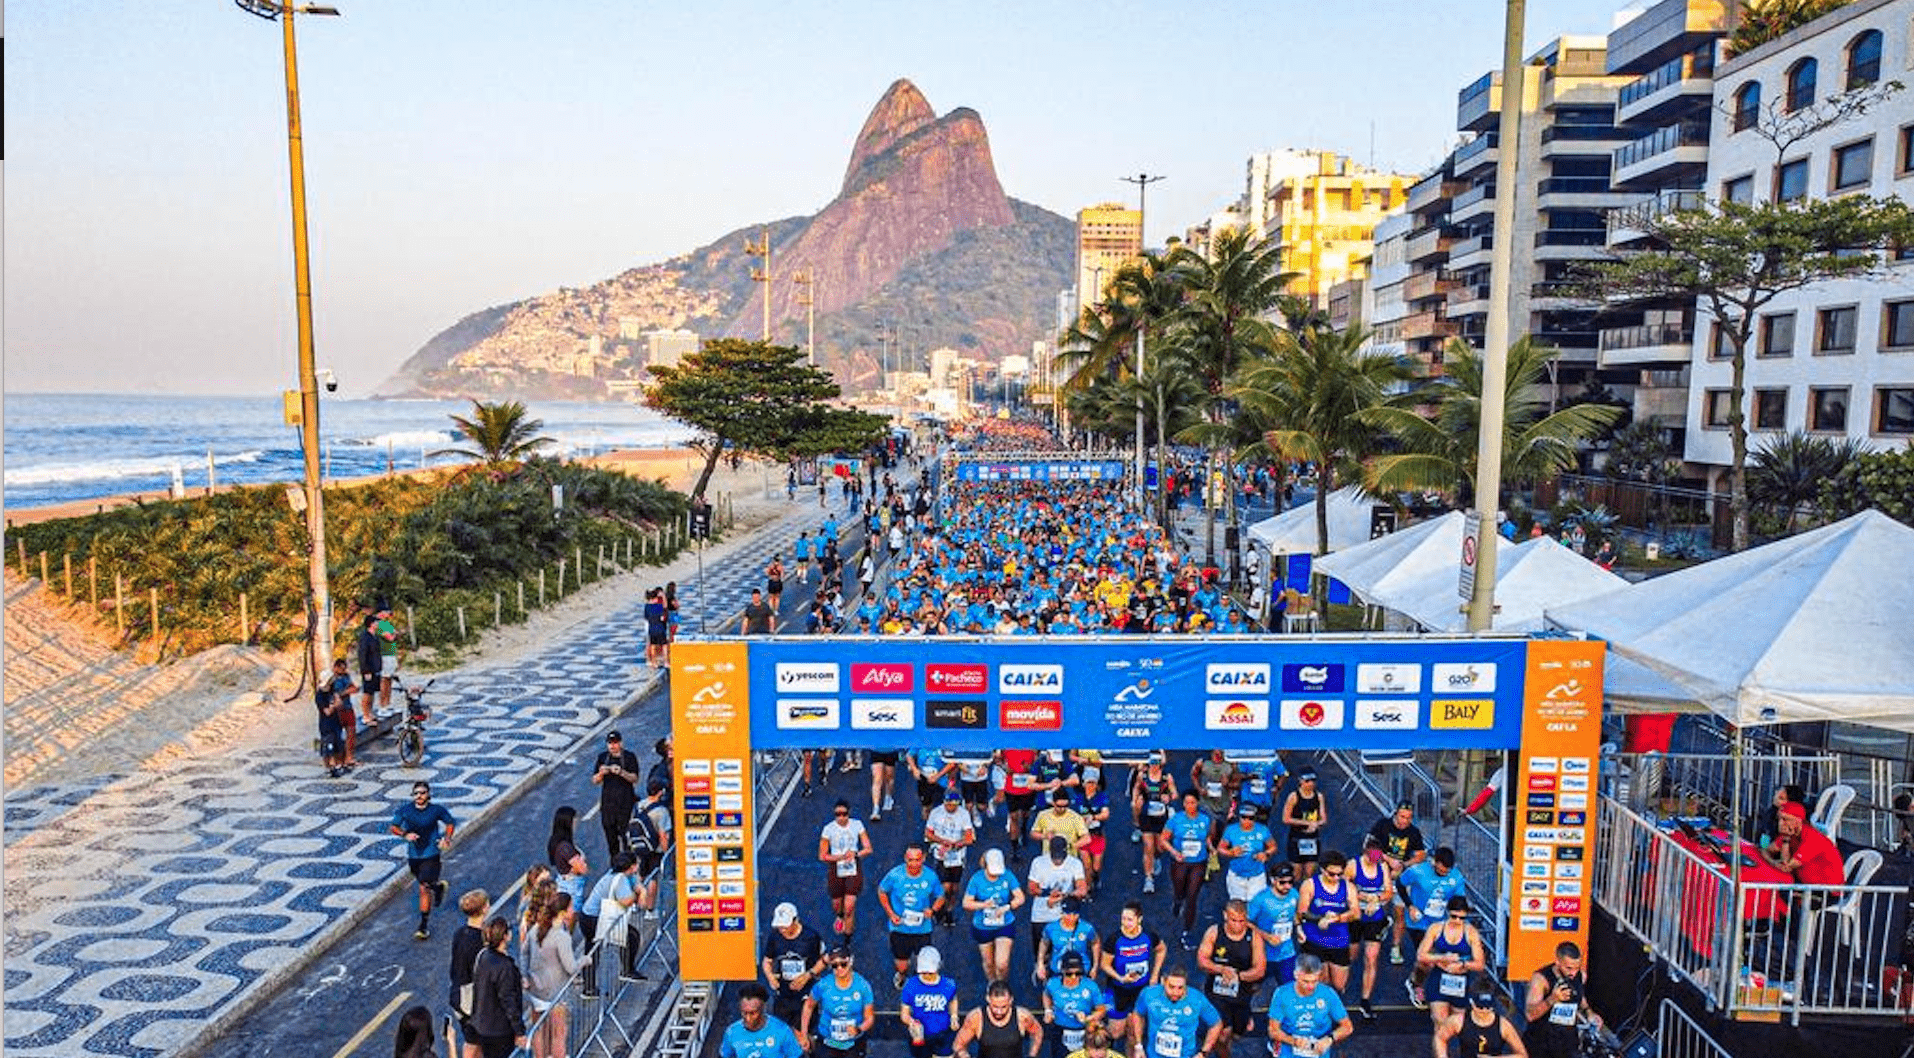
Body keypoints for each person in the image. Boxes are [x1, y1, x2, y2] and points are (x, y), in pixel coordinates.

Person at [1195, 899, 1266, 1056]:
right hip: (1216, 993)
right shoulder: (1214, 932)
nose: (1238, 925)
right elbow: (1201, 961)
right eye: (1234, 920)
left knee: (1237, 1033)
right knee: (1222, 1034)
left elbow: (1260, 969)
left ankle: (1239, 1027)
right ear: (1225, 915)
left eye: (1242, 921)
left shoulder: (1253, 936)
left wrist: (1237, 976)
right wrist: (1220, 969)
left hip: (1241, 994)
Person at [1399, 847, 1467, 1004]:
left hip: (1441, 924)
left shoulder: (1456, 877)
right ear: (1435, 863)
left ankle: (1417, 981)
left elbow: (1459, 900)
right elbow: (1400, 884)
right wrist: (1410, 905)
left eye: (1447, 872)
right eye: (1441, 871)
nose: (1445, 874)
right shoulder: (1418, 871)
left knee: (1434, 960)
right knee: (1427, 958)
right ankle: (1417, 986)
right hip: (1418, 923)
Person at [391, 781, 456, 940]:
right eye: (416, 793)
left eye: (422, 793)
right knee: (424, 885)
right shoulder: (405, 810)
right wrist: (405, 834)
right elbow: (394, 826)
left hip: (431, 853)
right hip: (414, 855)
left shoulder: (436, 810)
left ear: (428, 794)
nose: (419, 796)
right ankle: (438, 887)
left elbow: (450, 822)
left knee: (423, 886)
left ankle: (423, 925)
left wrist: (447, 838)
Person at [1099, 901, 1166, 1049]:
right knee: (1115, 1032)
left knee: (1135, 1034)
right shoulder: (1114, 939)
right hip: (1118, 989)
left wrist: (1155, 975)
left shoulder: (1148, 935)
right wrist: (1120, 978)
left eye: (1130, 919)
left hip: (1141, 989)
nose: (1126, 923)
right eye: (1123, 919)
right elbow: (1104, 964)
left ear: (1139, 919)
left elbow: (1161, 949)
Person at [879, 845, 947, 989]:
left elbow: (940, 896)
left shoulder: (930, 876)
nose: (913, 864)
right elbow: (882, 891)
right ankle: (902, 975)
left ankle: (920, 986)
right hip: (900, 928)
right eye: (910, 860)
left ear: (923, 859)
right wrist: (891, 913)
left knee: (923, 963)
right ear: (905, 859)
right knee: (902, 966)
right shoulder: (895, 875)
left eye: (917, 860)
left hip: (922, 929)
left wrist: (933, 910)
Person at [1368, 802, 1428, 965]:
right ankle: (1381, 925)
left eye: (1408, 818)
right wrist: (1387, 860)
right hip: (1381, 874)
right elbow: (1369, 849)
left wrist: (1405, 864)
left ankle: (1396, 946)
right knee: (1380, 907)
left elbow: (1421, 854)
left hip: (1401, 877)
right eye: (1402, 816)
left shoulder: (1414, 832)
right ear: (1395, 814)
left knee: (1400, 913)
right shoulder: (1383, 825)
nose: (1404, 821)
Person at [1266, 953, 1354, 1058]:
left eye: (1314, 981)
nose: (1310, 986)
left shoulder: (1328, 993)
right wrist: (1293, 1041)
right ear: (1296, 975)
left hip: (1319, 1045)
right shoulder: (1282, 994)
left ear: (1319, 975)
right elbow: (1273, 1030)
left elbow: (1347, 1027)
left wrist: (1329, 1039)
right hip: (1290, 1045)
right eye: (1305, 981)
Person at [1521, 942, 1599, 1058]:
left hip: (1567, 1043)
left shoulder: (1580, 976)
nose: (1573, 973)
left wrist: (1588, 1011)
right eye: (1568, 968)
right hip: (1541, 1044)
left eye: (1576, 968)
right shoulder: (1541, 980)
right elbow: (1530, 1015)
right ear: (1558, 962)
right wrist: (1552, 999)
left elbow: (1579, 995)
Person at [1417, 897, 1487, 1027]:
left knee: (1458, 1026)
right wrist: (1443, 958)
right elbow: (1421, 955)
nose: (1457, 921)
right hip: (1439, 977)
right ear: (1447, 913)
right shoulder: (1436, 928)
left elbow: (1480, 964)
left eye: (1462, 918)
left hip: (1461, 980)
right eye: (1454, 917)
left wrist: (1463, 964)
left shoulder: (1471, 932)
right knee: (1440, 1022)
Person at [1348, 836, 1396, 1020]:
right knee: (1352, 956)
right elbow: (1344, 886)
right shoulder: (1353, 865)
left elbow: (1388, 892)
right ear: (1365, 853)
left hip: (1375, 917)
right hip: (1355, 917)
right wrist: (1364, 897)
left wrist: (1377, 899)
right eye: (1371, 857)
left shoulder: (1382, 866)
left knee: (1371, 958)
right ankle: (1341, 983)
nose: (1374, 861)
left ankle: (1365, 1000)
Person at [524, 891, 577, 1058]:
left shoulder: (535, 930)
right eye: (571, 906)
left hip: (536, 991)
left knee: (539, 1030)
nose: (573, 909)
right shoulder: (561, 937)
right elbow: (571, 968)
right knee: (558, 1033)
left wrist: (526, 975)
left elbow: (524, 953)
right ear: (562, 912)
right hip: (556, 993)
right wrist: (584, 960)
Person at [1296, 850, 1355, 995]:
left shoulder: (1348, 887)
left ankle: (1333, 1006)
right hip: (1315, 940)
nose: (1336, 878)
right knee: (1319, 984)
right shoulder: (1310, 885)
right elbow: (1301, 912)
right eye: (1331, 874)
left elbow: (1355, 913)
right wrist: (1319, 919)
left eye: (1339, 874)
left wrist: (1336, 918)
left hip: (1339, 940)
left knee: (1339, 985)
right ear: (1322, 870)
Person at [1161, 792, 1216, 948]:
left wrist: (1211, 848)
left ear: (1197, 803)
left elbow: (1207, 838)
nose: (1189, 806)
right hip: (1180, 862)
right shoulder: (1176, 819)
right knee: (1180, 890)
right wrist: (1174, 852)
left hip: (1198, 862)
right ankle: (1177, 901)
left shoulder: (1205, 820)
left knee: (1192, 897)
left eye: (1192, 802)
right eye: (1186, 802)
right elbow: (1163, 839)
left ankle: (1187, 932)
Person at [1131, 966, 1222, 1058]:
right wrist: (1138, 1045)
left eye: (1180, 988)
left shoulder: (1197, 999)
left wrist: (1203, 1053)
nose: (1176, 992)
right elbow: (1138, 1014)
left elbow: (1216, 1024)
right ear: (1163, 981)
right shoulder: (1149, 994)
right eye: (1171, 987)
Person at [469, 917, 528, 1058]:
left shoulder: (483, 955)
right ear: (506, 937)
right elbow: (508, 1001)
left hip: (482, 1024)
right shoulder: (504, 966)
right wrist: (519, 1031)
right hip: (499, 1030)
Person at [965, 848, 1025, 984]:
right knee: (988, 962)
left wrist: (1008, 906)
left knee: (1002, 963)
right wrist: (983, 905)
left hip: (1004, 923)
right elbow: (966, 903)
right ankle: (992, 984)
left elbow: (1020, 897)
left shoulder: (1008, 876)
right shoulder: (976, 879)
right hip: (983, 925)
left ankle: (1002, 985)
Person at [803, 946, 876, 1058]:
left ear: (850, 961)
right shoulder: (824, 985)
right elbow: (808, 1005)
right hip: (826, 1041)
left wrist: (859, 1029)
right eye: (834, 966)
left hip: (853, 1043)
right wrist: (804, 1033)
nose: (839, 968)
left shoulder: (862, 986)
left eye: (843, 964)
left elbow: (869, 1018)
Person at [763, 902, 826, 1031]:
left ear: (796, 920)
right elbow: (767, 961)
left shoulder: (811, 937)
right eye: (779, 926)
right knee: (782, 1032)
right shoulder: (774, 937)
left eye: (785, 926)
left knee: (806, 1032)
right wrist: (770, 977)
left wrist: (808, 975)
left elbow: (824, 959)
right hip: (783, 994)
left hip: (806, 994)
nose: (782, 930)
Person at [1433, 977, 1527, 1057]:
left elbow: (1522, 1055)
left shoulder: (1503, 1025)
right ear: (1472, 1002)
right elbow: (1440, 1037)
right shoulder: (1459, 1021)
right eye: (1480, 1007)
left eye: (1488, 1007)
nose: (1484, 1011)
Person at [820, 800, 874, 939]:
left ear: (849, 813)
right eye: (838, 814)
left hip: (853, 868)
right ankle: (839, 915)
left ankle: (847, 939)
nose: (841, 817)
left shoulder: (857, 825)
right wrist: (839, 857)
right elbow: (822, 855)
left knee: (849, 906)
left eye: (844, 814)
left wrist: (855, 854)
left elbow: (868, 848)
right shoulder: (828, 829)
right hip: (836, 867)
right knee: (837, 904)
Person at [951, 980, 1043, 1058]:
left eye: (1003, 1007)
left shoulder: (1023, 1016)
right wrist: (964, 1055)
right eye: (995, 1007)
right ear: (988, 999)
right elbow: (958, 1045)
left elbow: (1038, 1032)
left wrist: (1032, 1054)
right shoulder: (976, 1018)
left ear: (1011, 1000)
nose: (999, 1011)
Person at [926, 787, 977, 927]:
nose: (951, 807)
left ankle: (949, 910)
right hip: (941, 854)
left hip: (957, 856)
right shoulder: (936, 813)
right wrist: (942, 842)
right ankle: (940, 910)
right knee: (945, 886)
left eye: (954, 805)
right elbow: (928, 833)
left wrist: (957, 844)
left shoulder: (964, 814)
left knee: (954, 888)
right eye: (948, 804)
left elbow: (969, 837)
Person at [448, 889, 490, 1058]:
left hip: (458, 992)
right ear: (484, 909)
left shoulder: (460, 933)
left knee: (473, 1040)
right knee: (473, 1043)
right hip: (472, 998)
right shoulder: (480, 940)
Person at [1028, 836, 1088, 953]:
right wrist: (1048, 893)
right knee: (1041, 951)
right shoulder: (1038, 862)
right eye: (1055, 857)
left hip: (1064, 916)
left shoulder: (1075, 864)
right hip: (1041, 915)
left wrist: (1065, 895)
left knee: (1066, 951)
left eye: (1060, 857)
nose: (1057, 860)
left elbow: (1082, 889)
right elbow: (1031, 888)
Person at [1042, 952, 1108, 1058]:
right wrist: (1048, 1011)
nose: (1073, 977)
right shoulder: (1053, 984)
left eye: (1078, 973)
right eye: (1069, 974)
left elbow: (1101, 1009)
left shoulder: (1090, 986)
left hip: (1085, 1031)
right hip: (1061, 1030)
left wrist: (1089, 1018)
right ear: (1062, 971)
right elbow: (1046, 994)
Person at [1248, 862, 1302, 988]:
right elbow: (1246, 922)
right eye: (1282, 883)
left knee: (1289, 989)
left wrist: (1299, 929)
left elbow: (1295, 914)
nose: (1287, 886)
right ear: (1273, 880)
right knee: (1252, 987)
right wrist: (1266, 936)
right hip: (1264, 954)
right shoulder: (1261, 899)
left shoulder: (1294, 894)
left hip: (1287, 952)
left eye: (1290, 882)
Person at [1763, 801, 1844, 885]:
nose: (1780, 823)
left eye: (1785, 819)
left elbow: (1786, 866)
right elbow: (1765, 851)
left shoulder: (1812, 838)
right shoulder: (1791, 833)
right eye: (1779, 819)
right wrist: (1773, 862)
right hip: (1806, 885)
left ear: (1798, 821)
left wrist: (1786, 840)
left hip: (1826, 890)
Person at [901, 946, 961, 1058]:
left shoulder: (948, 984)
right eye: (924, 972)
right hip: (921, 1035)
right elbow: (904, 1013)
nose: (927, 975)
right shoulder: (911, 985)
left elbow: (953, 1000)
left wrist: (954, 1016)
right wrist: (912, 1022)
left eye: (930, 972)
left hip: (944, 1032)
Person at [1130, 753, 1176, 895]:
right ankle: (1148, 879)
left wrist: (1169, 797)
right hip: (1147, 815)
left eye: (1157, 763)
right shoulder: (1142, 776)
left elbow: (1175, 793)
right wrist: (1135, 800)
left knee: (1160, 847)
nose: (1154, 766)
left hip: (1161, 816)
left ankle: (1156, 858)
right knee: (1148, 846)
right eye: (1152, 763)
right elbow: (1136, 788)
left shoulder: (1166, 777)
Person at [723, 982, 805, 1058]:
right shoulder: (732, 1032)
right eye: (744, 1013)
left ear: (763, 1008)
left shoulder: (782, 1031)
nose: (748, 1018)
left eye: (753, 1013)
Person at [592, 731, 641, 858]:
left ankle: (629, 861)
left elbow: (634, 778)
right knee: (611, 839)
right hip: (608, 805)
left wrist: (621, 772)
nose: (612, 746)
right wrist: (602, 773)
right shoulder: (602, 757)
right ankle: (615, 863)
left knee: (626, 837)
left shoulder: (629, 757)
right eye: (610, 743)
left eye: (615, 743)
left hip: (625, 804)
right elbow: (595, 780)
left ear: (620, 743)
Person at [629, 777, 673, 917]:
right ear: (660, 792)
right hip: (655, 849)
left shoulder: (639, 805)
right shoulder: (662, 811)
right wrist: (667, 854)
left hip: (639, 846)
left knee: (640, 876)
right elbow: (663, 835)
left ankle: (634, 904)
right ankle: (650, 909)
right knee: (653, 879)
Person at [1217, 802, 1276, 903]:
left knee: (1256, 905)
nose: (1247, 821)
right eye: (1244, 817)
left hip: (1257, 876)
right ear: (1239, 817)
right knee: (1238, 906)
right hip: (1236, 876)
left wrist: (1266, 854)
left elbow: (1273, 846)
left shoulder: (1262, 830)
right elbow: (1220, 848)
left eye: (1251, 818)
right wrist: (1231, 853)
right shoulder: (1231, 830)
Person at [1038, 897, 1102, 986]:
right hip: (1058, 970)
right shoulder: (1051, 928)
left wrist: (1095, 966)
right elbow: (1044, 943)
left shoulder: (1086, 928)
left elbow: (1095, 943)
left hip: (1081, 971)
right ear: (1062, 913)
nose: (1071, 917)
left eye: (1075, 914)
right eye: (1068, 914)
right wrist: (1040, 963)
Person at [1280, 770, 1328, 880]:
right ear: (1301, 782)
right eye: (1307, 781)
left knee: (1309, 872)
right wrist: (1307, 823)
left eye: (1312, 781)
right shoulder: (1294, 796)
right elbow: (1286, 818)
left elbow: (1323, 818)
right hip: (1297, 837)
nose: (1310, 784)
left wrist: (1316, 824)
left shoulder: (1318, 796)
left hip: (1312, 838)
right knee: (1296, 873)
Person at [1073, 775, 1112, 892]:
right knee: (1086, 865)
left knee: (1096, 866)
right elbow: (1073, 815)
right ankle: (1088, 887)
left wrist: (1093, 817)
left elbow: (1106, 814)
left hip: (1097, 835)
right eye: (1088, 783)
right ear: (1084, 784)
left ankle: (1096, 877)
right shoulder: (1078, 798)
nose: (1090, 786)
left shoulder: (1101, 797)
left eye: (1093, 783)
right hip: (1083, 835)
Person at [1032, 788, 1092, 862]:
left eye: (1065, 806)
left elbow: (1087, 838)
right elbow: (1033, 834)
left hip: (1069, 859)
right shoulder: (1043, 815)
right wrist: (1045, 836)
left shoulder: (1075, 817)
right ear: (1053, 803)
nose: (1062, 809)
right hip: (1049, 858)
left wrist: (1071, 846)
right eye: (1059, 806)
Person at [329, 659, 362, 771]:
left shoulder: (346, 676)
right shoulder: (331, 679)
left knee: (351, 731)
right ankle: (336, 758)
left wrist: (352, 689)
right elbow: (334, 694)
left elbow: (353, 687)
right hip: (338, 709)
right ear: (335, 667)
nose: (343, 671)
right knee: (336, 734)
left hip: (347, 707)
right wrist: (346, 692)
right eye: (341, 669)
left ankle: (349, 757)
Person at [373, 602, 402, 710]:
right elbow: (390, 637)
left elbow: (395, 634)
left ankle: (388, 702)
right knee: (384, 679)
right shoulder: (378, 624)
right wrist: (395, 635)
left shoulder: (387, 623)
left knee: (390, 679)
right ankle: (383, 704)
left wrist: (395, 635)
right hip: (384, 654)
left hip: (391, 653)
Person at [357, 613, 384, 724]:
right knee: (367, 693)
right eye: (376, 622)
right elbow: (362, 655)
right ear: (371, 624)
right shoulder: (365, 637)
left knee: (372, 692)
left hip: (376, 668)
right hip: (368, 669)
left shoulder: (375, 636)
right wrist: (365, 670)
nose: (378, 624)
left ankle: (370, 713)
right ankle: (365, 714)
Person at [316, 687, 348, 779]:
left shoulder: (333, 692)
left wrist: (336, 702)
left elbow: (340, 704)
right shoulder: (320, 695)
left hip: (336, 723)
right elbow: (327, 712)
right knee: (328, 746)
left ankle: (337, 765)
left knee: (338, 744)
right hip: (326, 726)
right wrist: (333, 705)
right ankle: (329, 767)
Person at [643, 587, 669, 667]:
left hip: (651, 628)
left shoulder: (647, 607)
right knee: (664, 645)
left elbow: (646, 617)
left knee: (653, 645)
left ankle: (654, 662)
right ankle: (666, 662)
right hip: (660, 628)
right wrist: (664, 597)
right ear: (654, 598)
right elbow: (665, 608)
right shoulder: (659, 607)